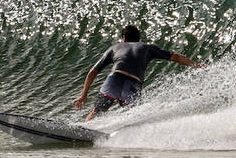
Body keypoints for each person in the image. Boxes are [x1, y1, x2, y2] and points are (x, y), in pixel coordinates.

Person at [73, 24, 202, 120]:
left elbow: (92, 72)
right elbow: (175, 56)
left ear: (124, 38)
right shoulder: (147, 48)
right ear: (139, 38)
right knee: (133, 116)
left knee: (96, 112)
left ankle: (83, 131)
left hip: (114, 79)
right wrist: (196, 65)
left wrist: (83, 95)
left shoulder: (115, 48)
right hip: (133, 84)